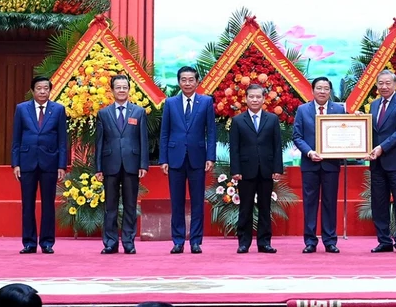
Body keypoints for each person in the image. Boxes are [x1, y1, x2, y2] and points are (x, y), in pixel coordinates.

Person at [159, 66, 217, 254]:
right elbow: (165, 133)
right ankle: (177, 241)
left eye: (191, 79)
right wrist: (163, 159)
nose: (187, 83)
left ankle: (195, 241)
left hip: (198, 158)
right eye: (183, 80)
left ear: (197, 81)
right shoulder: (170, 103)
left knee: (198, 201)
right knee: (176, 202)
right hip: (175, 158)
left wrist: (210, 156)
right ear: (178, 82)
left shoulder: (206, 102)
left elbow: (211, 132)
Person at [12, 75, 68, 254]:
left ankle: (47, 242)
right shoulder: (21, 109)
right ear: (32, 90)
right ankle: (29, 242)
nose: (43, 91)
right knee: (27, 204)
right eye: (39, 88)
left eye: (46, 88)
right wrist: (16, 163)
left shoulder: (58, 110)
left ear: (50, 90)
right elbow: (16, 138)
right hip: (27, 162)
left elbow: (62, 141)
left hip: (50, 162)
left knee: (48, 204)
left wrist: (61, 165)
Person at [95, 74, 149, 254]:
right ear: (112, 90)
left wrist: (143, 165)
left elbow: (143, 140)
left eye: (124, 87)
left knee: (130, 205)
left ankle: (128, 242)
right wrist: (98, 168)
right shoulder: (103, 113)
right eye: (118, 87)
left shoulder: (139, 112)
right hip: (110, 164)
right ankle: (110, 242)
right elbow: (99, 142)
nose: (121, 90)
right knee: (110, 206)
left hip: (132, 164)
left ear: (129, 89)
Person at [291, 76, 345, 253]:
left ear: (330, 91)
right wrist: (309, 152)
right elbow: (297, 136)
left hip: (331, 165)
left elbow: (346, 132)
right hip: (310, 164)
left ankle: (330, 241)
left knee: (330, 203)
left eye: (326, 88)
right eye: (319, 88)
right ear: (312, 90)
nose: (322, 91)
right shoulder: (302, 110)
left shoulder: (339, 109)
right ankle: (310, 241)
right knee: (310, 203)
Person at [229, 84, 284, 253]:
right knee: (245, 207)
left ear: (264, 99)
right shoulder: (238, 120)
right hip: (245, 171)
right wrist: (235, 171)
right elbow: (234, 148)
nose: (254, 100)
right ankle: (243, 242)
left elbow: (277, 146)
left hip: (266, 169)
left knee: (265, 207)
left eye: (258, 97)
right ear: (245, 99)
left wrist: (277, 169)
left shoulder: (272, 119)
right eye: (251, 97)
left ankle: (264, 242)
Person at [368, 70, 396, 254]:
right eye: (380, 83)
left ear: (395, 84)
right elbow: (372, 132)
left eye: (388, 83)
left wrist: (381, 148)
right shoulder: (373, 105)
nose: (384, 87)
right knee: (379, 204)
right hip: (377, 163)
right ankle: (384, 240)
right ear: (376, 85)